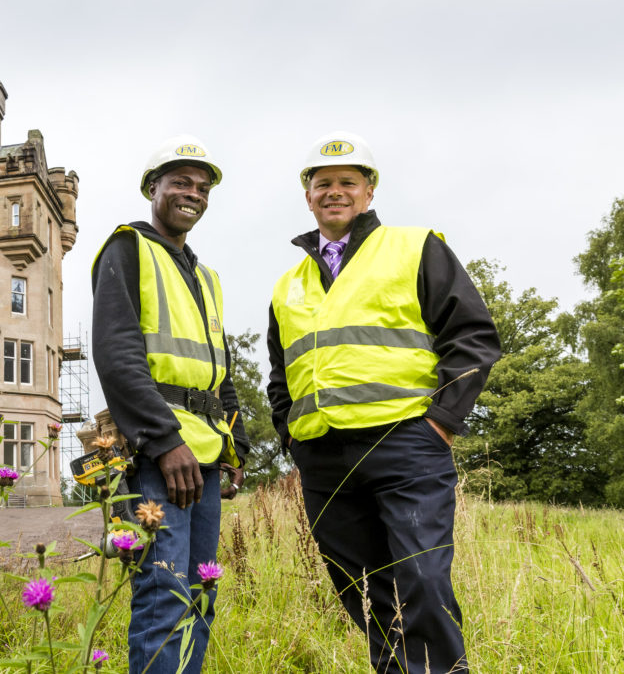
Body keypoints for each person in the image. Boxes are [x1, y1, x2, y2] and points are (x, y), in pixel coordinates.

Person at [267, 131, 500, 673]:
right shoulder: (287, 285)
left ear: (369, 192)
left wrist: (441, 421)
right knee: (366, 591)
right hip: (324, 458)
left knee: (422, 579)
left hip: (406, 445)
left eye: (348, 181)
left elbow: (472, 336)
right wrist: (290, 437)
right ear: (308, 196)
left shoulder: (415, 247)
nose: (335, 191)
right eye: (323, 183)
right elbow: (281, 373)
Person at [92, 135, 250, 674]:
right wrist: (163, 441)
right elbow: (117, 356)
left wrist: (236, 445)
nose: (194, 194)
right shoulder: (128, 249)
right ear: (152, 188)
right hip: (159, 456)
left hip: (204, 455)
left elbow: (219, 372)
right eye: (181, 182)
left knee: (200, 595)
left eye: (203, 188)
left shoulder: (207, 278)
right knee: (165, 595)